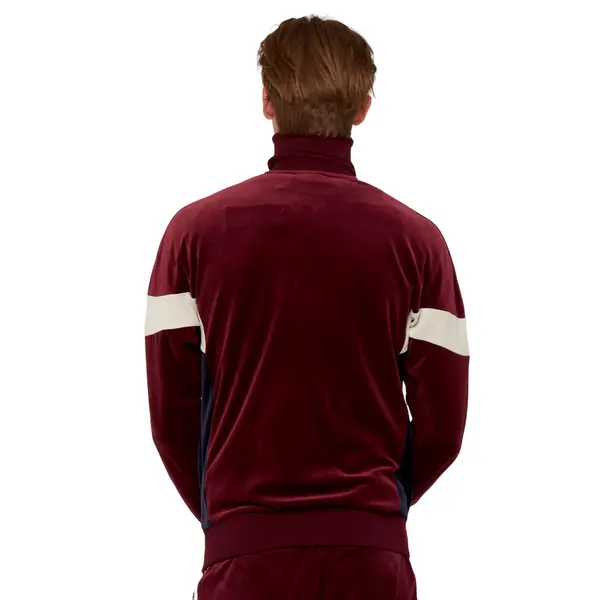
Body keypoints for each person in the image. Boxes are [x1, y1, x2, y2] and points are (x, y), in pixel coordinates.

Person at [144, 14, 469, 600]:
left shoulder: (192, 234)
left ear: (266, 101)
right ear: (363, 108)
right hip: (372, 561)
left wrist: (236, 524)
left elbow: (171, 418)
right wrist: (372, 515)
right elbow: (443, 429)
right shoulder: (418, 242)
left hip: (243, 562)